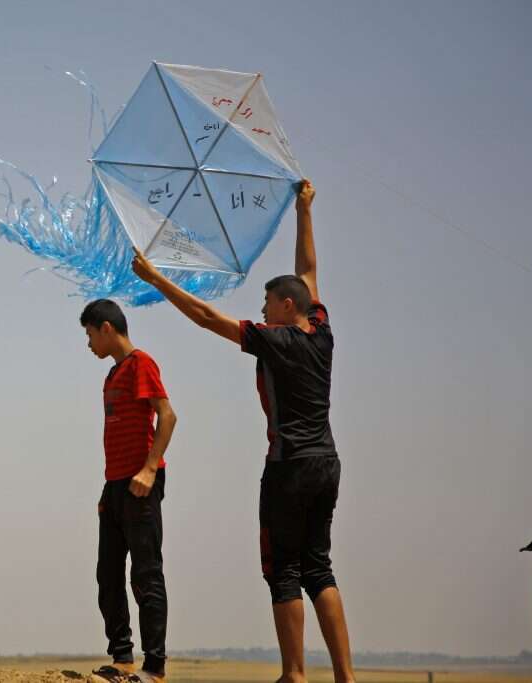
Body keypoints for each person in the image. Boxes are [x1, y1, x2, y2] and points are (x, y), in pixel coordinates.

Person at [130, 180, 356, 683]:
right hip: (327, 463)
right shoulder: (321, 331)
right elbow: (309, 273)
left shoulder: (276, 342)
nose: (262, 309)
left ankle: (294, 675)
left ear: (285, 307)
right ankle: (347, 677)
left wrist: (157, 279)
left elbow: (208, 317)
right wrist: (305, 210)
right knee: (320, 566)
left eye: (268, 301)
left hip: (289, 468)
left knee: (283, 570)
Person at [79, 299, 177, 683]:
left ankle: (155, 667)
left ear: (106, 328)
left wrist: (149, 469)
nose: (88, 344)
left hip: (141, 483)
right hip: (115, 485)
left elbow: (167, 416)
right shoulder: (112, 374)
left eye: (89, 334)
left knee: (146, 574)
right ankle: (122, 657)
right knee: (108, 573)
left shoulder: (141, 364)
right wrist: (109, 488)